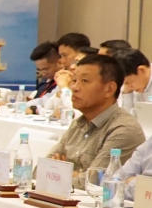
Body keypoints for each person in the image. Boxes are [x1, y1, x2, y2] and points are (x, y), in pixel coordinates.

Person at [45, 53, 146, 185]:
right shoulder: (78, 123)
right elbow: (40, 171)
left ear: (109, 89)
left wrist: (59, 173)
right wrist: (71, 175)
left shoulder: (124, 129)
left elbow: (92, 183)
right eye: (74, 80)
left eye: (84, 81)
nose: (74, 88)